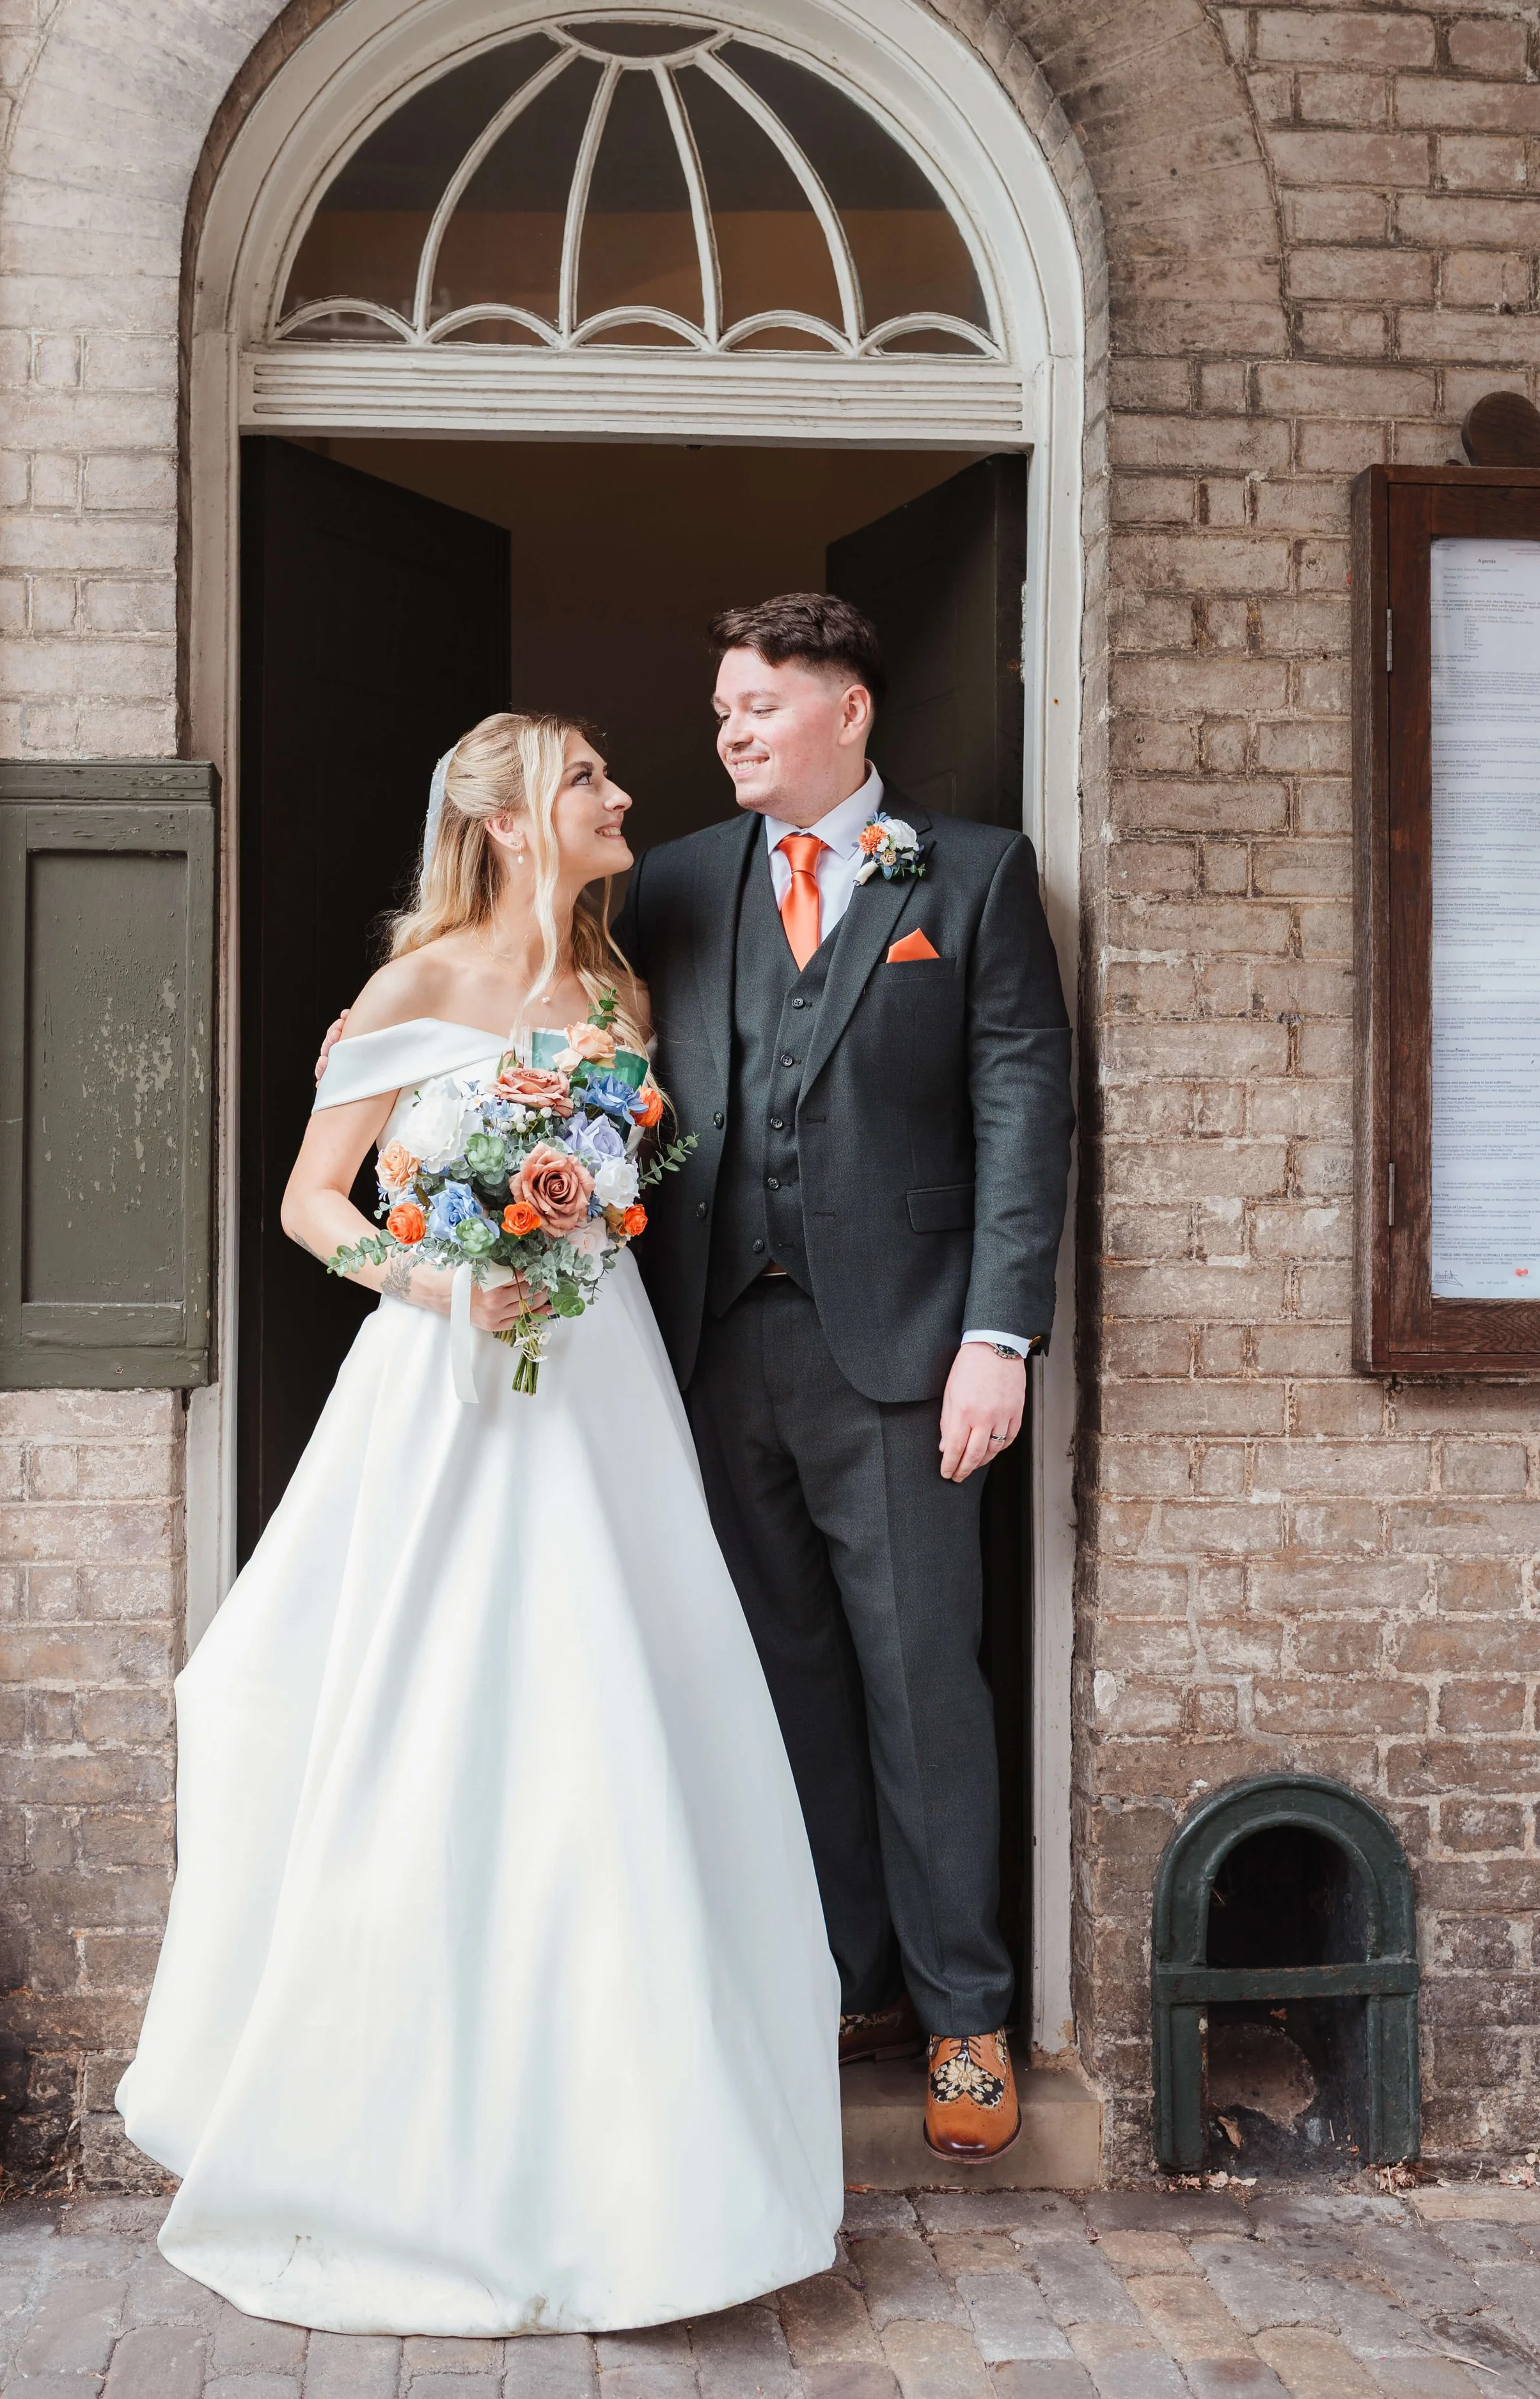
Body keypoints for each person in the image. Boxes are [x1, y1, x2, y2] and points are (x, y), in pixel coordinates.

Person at [116, 713, 842, 2336]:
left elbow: (632, 1190)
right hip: (446, 1390)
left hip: (601, 1390)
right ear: (510, 821)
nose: (619, 795)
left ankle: (639, 2159)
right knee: (430, 1711)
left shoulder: (615, 996)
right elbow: (311, 1202)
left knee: (609, 1722)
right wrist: (441, 1278)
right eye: (586, 778)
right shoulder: (411, 987)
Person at [613, 594, 1074, 2160]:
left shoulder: (972, 874)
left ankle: (965, 2019)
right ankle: (849, 1981)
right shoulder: (679, 880)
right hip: (709, 1344)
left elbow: (1022, 1113)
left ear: (848, 709)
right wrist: (400, 1025)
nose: (729, 733)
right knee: (784, 1683)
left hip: (901, 1357)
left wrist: (996, 1338)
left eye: (757, 705)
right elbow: (560, 1008)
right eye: (721, 711)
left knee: (920, 1686)